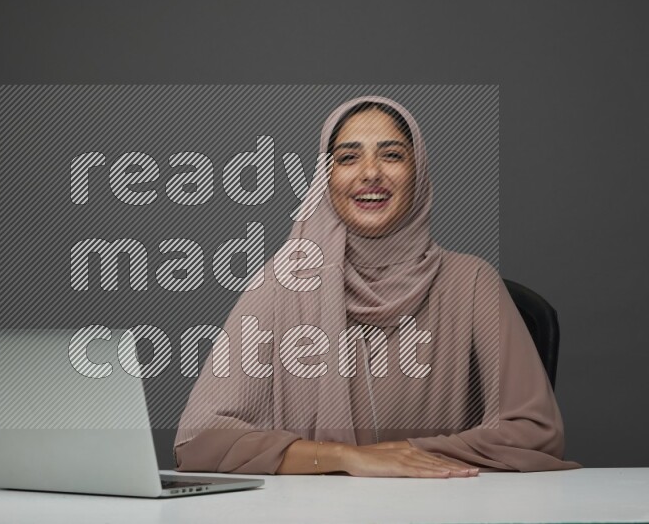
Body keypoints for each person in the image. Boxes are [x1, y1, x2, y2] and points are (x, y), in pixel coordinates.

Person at [173, 95, 582, 477]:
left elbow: (535, 432)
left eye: (391, 155)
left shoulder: (471, 283)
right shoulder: (283, 284)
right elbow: (198, 441)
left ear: (418, 172)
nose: (370, 173)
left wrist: (405, 456)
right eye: (348, 158)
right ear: (326, 178)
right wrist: (349, 458)